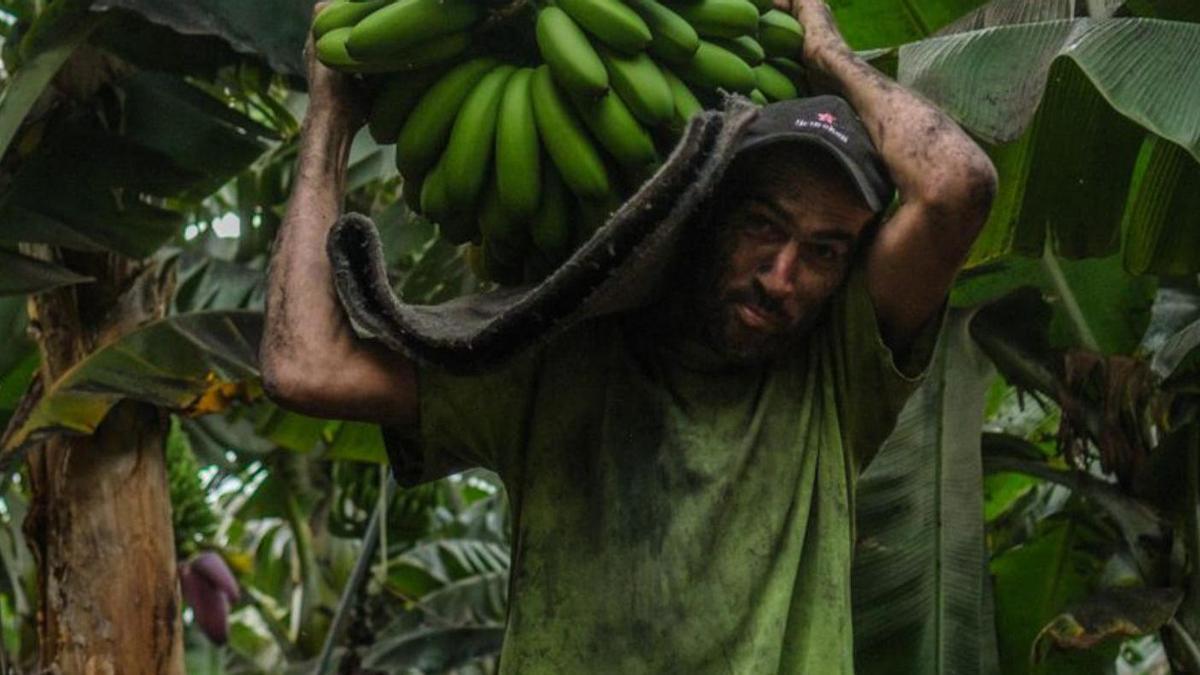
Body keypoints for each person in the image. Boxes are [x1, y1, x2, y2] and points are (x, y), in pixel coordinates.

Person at [261, 0, 997, 671]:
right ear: (707, 213)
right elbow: (304, 367)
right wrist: (329, 117)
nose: (782, 276)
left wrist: (827, 53)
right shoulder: (553, 365)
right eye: (763, 227)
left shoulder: (835, 379)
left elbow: (957, 185)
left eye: (824, 252)